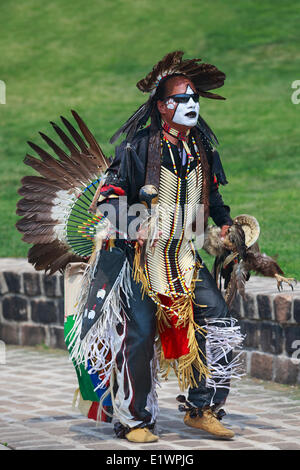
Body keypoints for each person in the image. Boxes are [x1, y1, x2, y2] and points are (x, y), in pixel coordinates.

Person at [69, 51, 243, 443]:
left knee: (220, 324)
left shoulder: (201, 148)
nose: (192, 105)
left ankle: (203, 408)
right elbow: (108, 197)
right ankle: (135, 420)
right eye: (183, 99)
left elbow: (212, 198)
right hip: (140, 261)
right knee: (140, 334)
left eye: (195, 98)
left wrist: (226, 223)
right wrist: (133, 224)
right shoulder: (137, 148)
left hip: (184, 257)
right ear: (163, 106)